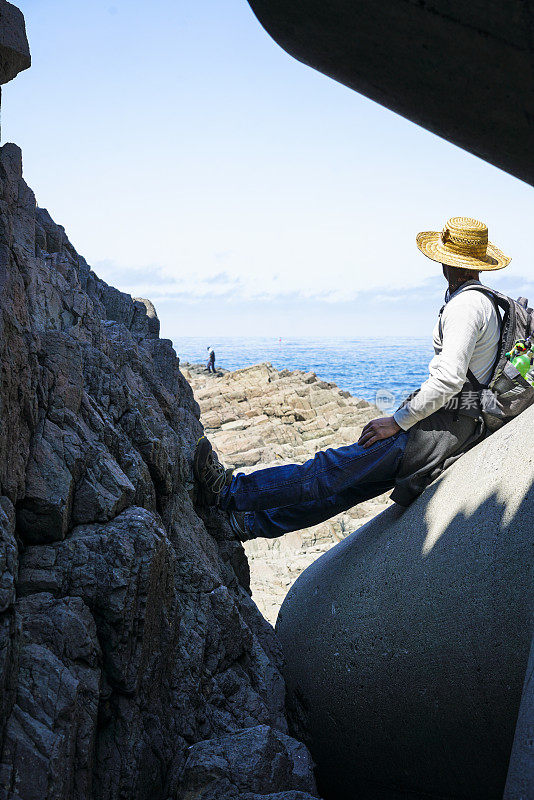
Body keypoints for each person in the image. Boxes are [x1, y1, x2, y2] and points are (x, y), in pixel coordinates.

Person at [194, 217, 510, 541]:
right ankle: (244, 526)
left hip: (430, 433)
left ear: (446, 259)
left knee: (326, 470)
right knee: (342, 493)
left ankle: (226, 492)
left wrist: (398, 422)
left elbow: (448, 380)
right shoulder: (486, 302)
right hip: (455, 430)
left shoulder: (466, 305)